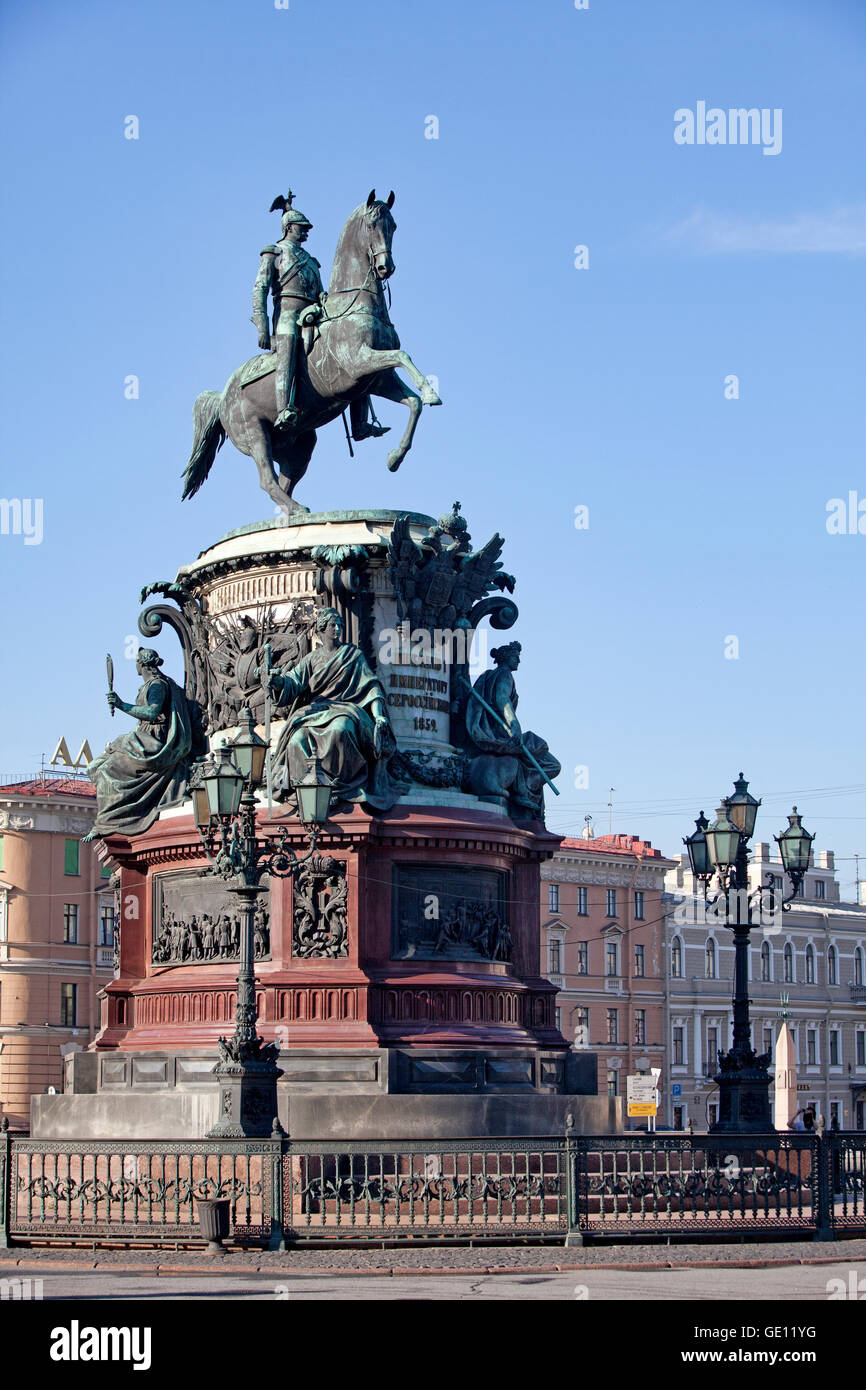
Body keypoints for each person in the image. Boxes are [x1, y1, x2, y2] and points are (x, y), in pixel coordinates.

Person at [268, 607, 403, 811]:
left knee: (341, 730)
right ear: (321, 629)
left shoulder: (353, 655)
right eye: (332, 625)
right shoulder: (311, 659)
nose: (337, 629)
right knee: (296, 740)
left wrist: (378, 717)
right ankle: (305, 788)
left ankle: (339, 787)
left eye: (340, 625)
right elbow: (293, 682)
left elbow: (371, 686)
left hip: (346, 709)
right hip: (315, 712)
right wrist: (277, 682)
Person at [86, 648, 198, 839]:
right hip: (143, 736)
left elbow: (152, 713)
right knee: (95, 766)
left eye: (137, 661)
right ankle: (110, 820)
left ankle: (108, 822)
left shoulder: (157, 686)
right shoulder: (150, 685)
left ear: (143, 664)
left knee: (106, 771)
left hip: (155, 741)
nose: (136, 665)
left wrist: (122, 705)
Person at [465, 642, 560, 817]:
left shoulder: (490, 675)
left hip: (493, 729)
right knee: (548, 758)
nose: (518, 661)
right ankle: (526, 787)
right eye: (516, 657)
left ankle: (523, 786)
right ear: (507, 658)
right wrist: (514, 724)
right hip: (502, 732)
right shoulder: (504, 674)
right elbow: (502, 699)